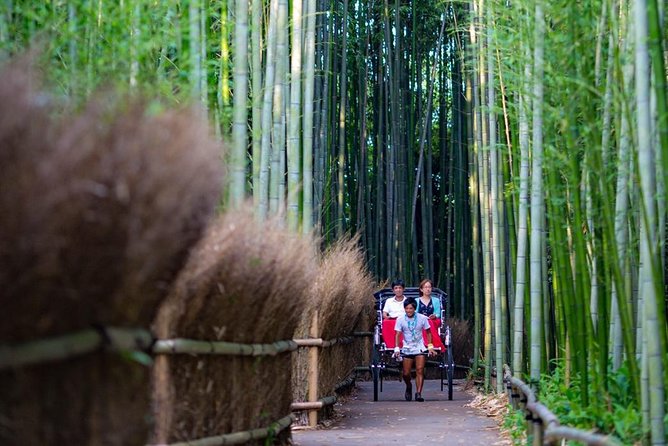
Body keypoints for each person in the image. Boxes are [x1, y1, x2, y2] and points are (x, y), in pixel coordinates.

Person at [393, 298, 436, 402]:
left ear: (414, 308)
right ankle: (408, 386)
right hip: (407, 347)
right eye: (407, 308)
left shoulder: (422, 318)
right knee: (406, 374)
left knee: (420, 370)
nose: (409, 310)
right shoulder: (400, 319)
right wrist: (397, 348)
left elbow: (428, 332)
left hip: (419, 347)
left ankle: (418, 393)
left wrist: (430, 346)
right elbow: (398, 334)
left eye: (411, 308)